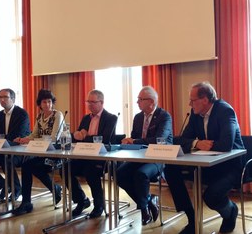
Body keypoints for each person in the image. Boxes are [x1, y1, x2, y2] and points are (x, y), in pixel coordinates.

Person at [164, 82, 245, 234]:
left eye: (192, 100)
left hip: (230, 166)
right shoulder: (195, 114)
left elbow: (226, 144)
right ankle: (192, 219)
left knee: (211, 196)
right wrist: (197, 143)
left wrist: (204, 145)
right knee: (170, 169)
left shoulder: (225, 111)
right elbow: (180, 139)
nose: (189, 103)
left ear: (205, 100)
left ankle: (230, 211)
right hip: (206, 164)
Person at [116, 86, 173, 225]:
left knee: (140, 174)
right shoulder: (138, 117)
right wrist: (129, 141)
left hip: (159, 157)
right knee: (119, 173)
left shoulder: (164, 116)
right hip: (139, 157)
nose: (137, 102)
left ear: (151, 102)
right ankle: (148, 201)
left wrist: (134, 140)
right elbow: (135, 138)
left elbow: (159, 139)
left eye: (140, 99)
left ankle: (144, 210)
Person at [12, 89, 64, 215]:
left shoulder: (58, 115)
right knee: (27, 166)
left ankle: (54, 189)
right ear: (39, 104)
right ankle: (27, 202)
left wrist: (34, 140)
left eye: (50, 101)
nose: (47, 104)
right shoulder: (39, 117)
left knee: (32, 166)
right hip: (41, 153)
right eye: (44, 102)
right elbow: (34, 135)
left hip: (55, 154)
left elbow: (53, 138)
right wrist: (23, 139)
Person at [67, 89, 118, 218]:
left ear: (101, 102)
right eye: (88, 102)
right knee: (65, 169)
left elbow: (104, 139)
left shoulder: (111, 118)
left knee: (91, 171)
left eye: (93, 102)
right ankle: (81, 200)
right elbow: (76, 137)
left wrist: (84, 136)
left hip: (101, 157)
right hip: (84, 155)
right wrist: (76, 134)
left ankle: (99, 205)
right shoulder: (85, 118)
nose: (89, 105)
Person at [0, 88, 30, 201]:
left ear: (13, 99)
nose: (2, 100)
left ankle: (16, 189)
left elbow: (18, 135)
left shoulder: (22, 114)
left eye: (5, 97)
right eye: (0, 97)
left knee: (6, 160)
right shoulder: (0, 114)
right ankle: (5, 186)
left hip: (19, 150)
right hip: (3, 149)